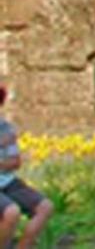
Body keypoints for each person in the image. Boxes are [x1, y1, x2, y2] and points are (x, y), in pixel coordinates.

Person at [0, 84, 54, 249]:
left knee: (45, 207)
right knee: (12, 212)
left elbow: (15, 162)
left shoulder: (5, 128)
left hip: (7, 181)